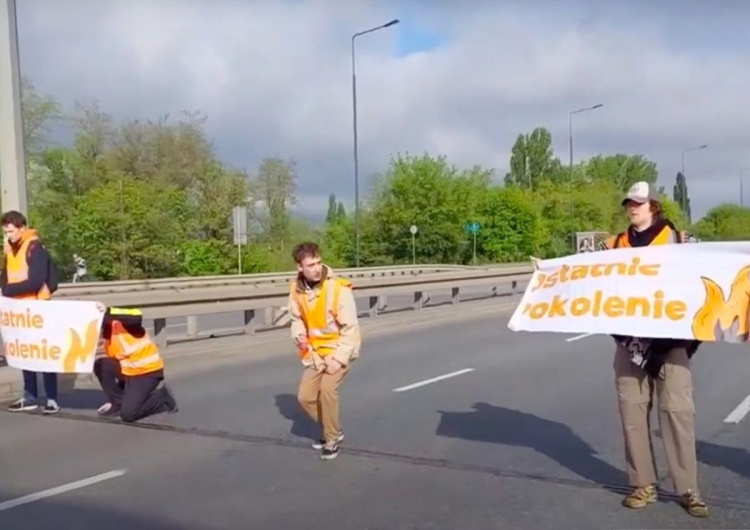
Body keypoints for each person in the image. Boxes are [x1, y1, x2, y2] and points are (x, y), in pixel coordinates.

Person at [602, 181, 707, 518]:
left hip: (671, 342)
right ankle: (642, 484)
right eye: (629, 203)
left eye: (639, 203)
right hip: (629, 340)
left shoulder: (679, 241)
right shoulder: (615, 245)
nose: (633, 208)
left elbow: (702, 283)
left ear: (653, 207)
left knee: (677, 415)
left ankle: (688, 489)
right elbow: (592, 281)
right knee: (632, 414)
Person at [288, 242, 361, 460]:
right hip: (316, 353)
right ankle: (334, 429)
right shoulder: (296, 290)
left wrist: (339, 359)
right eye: (310, 265)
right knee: (305, 397)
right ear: (300, 267)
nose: (316, 268)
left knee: (328, 391)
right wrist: (299, 335)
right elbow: (296, 319)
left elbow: (351, 328)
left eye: (318, 262)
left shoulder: (338, 289)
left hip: (340, 349)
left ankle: (330, 439)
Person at [1, 210, 60, 414]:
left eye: (11, 231)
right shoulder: (10, 249)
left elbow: (36, 281)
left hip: (38, 307)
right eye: (6, 232)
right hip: (19, 310)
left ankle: (51, 397)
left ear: (22, 228)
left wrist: (6, 291)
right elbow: (6, 276)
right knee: (25, 352)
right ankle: (30, 396)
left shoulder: (35, 248)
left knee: (43, 353)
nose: (8, 236)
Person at [93, 303, 179, 422]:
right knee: (101, 364)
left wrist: (108, 310)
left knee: (128, 415)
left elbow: (136, 314)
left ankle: (162, 397)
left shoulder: (125, 325)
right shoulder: (107, 335)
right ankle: (118, 402)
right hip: (128, 371)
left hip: (147, 373)